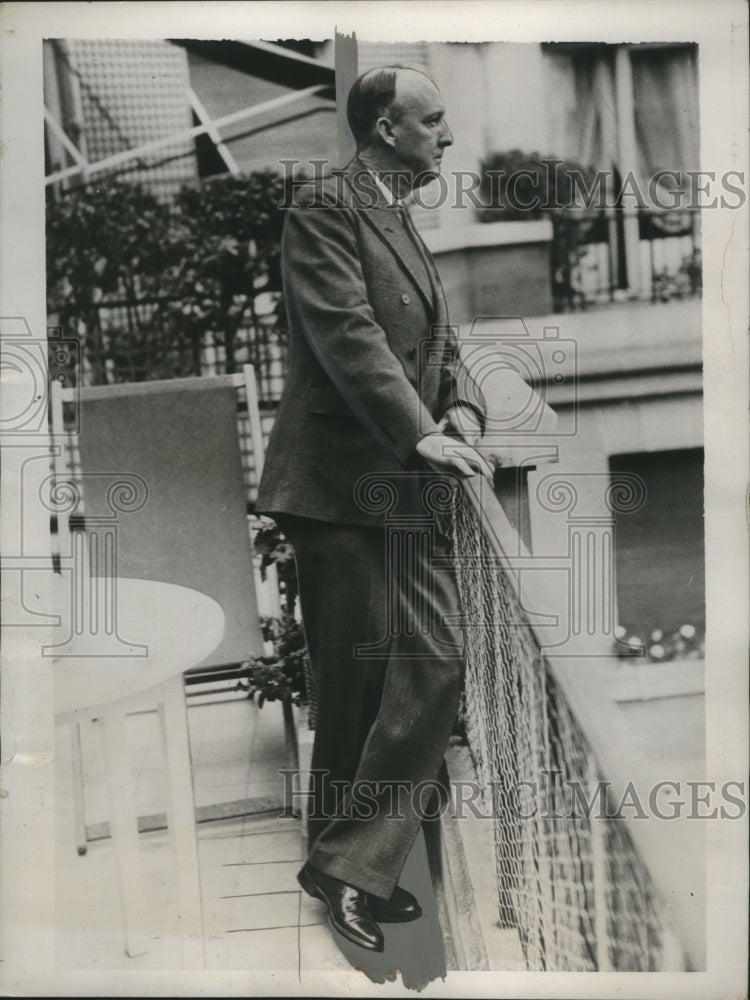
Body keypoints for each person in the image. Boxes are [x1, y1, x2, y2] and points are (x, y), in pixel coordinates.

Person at [256, 65, 493, 953]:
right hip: (340, 486)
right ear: (387, 128)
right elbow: (347, 331)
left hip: (400, 480)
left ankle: (345, 859)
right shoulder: (324, 203)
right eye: (434, 121)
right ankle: (346, 866)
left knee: (434, 663)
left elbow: (441, 341)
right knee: (355, 688)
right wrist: (419, 431)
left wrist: (461, 407)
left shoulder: (397, 215)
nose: (449, 136)